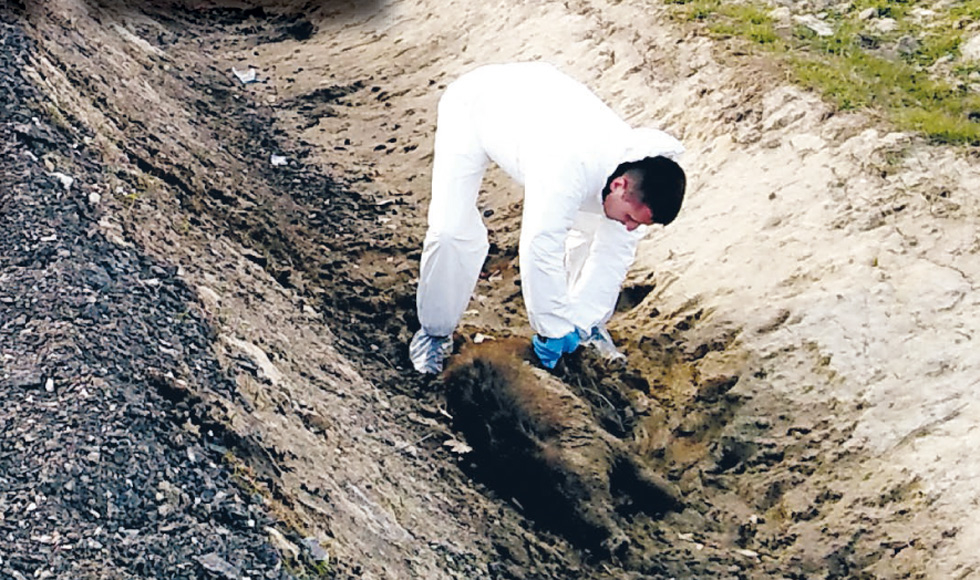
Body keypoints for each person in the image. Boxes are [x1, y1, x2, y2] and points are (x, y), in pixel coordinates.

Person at [410, 62, 686, 374]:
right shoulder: (567, 167)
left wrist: (581, 322)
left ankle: (586, 328)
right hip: (477, 107)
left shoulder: (637, 178)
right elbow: (540, 245)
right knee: (450, 230)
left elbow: (613, 255)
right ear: (619, 186)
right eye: (631, 218)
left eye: (640, 224)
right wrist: (552, 328)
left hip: (550, 105)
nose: (632, 227)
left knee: (594, 233)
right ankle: (433, 333)